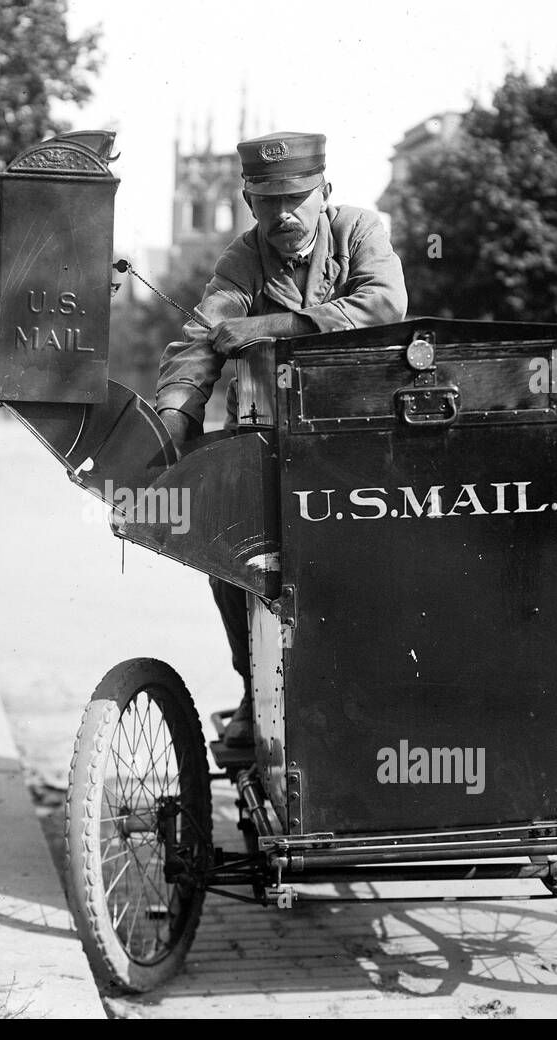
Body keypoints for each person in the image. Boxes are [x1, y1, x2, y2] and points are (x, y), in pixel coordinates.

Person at [154, 131, 409, 747]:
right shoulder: (243, 259)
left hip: (360, 441)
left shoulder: (360, 230)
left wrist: (273, 328)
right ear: (248, 202)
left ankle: (386, 697)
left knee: (376, 564)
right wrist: (172, 420)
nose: (284, 214)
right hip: (268, 439)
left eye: (297, 197)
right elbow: (200, 341)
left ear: (324, 190)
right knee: (231, 564)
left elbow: (382, 305)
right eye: (268, 202)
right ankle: (255, 691)